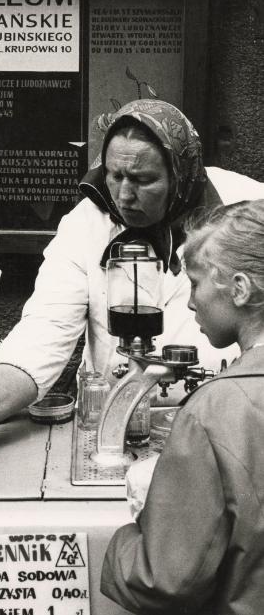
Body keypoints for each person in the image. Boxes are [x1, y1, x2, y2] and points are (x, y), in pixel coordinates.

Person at [0, 99, 264, 469]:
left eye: (142, 180)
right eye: (114, 175)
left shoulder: (246, 209)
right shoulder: (87, 223)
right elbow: (45, 331)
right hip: (114, 421)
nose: (123, 195)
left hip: (228, 421)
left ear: (180, 173)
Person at [101, 198, 264, 614]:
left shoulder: (214, 411)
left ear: (240, 289)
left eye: (195, 283)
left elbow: (166, 581)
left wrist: (121, 540)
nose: (190, 304)